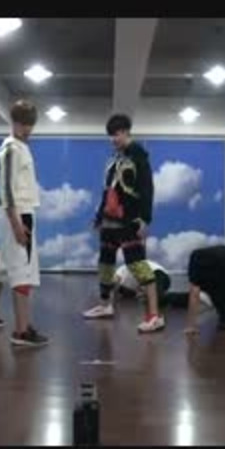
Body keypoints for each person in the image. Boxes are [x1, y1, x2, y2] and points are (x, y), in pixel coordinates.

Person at [83, 114, 163, 333]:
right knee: (105, 263)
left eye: (117, 134)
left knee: (137, 265)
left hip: (129, 220)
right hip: (109, 222)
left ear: (127, 132)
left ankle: (154, 316)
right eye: (111, 135)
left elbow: (147, 189)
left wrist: (145, 219)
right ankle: (105, 305)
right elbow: (108, 190)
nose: (114, 138)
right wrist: (99, 216)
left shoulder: (139, 156)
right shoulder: (114, 160)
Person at [0, 100, 49, 347]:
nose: (28, 129)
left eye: (30, 124)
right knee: (21, 271)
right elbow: (5, 189)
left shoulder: (20, 148)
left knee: (7, 268)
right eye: (24, 124)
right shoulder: (11, 149)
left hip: (23, 212)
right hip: (19, 214)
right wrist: (16, 224)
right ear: (14, 122)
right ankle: (21, 331)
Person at [182, 244, 225, 334]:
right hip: (205, 265)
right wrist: (191, 325)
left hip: (220, 273)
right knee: (199, 293)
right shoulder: (202, 261)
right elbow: (194, 293)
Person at [82, 260, 170, 318]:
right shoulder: (125, 286)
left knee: (157, 298)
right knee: (154, 300)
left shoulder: (120, 271)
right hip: (156, 280)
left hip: (157, 273)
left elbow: (115, 282)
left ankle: (176, 297)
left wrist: (109, 301)